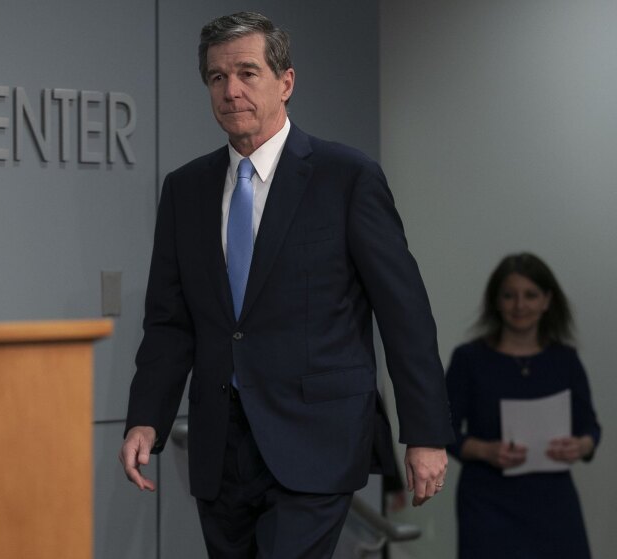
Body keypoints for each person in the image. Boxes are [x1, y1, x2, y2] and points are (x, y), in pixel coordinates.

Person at [119, 12, 453, 558]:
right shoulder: (185, 190)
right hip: (219, 448)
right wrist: (146, 419)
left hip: (316, 440)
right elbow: (170, 323)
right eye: (217, 78)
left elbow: (404, 314)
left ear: (286, 82)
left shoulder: (347, 177)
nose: (232, 91)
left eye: (248, 73)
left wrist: (426, 433)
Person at [445, 252, 601, 558]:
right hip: (487, 503)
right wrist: (486, 451)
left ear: (546, 301)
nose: (520, 305)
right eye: (509, 295)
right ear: (496, 301)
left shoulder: (565, 360)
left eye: (530, 295)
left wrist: (579, 446)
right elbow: (444, 432)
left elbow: (590, 428)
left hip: (554, 502)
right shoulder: (469, 359)